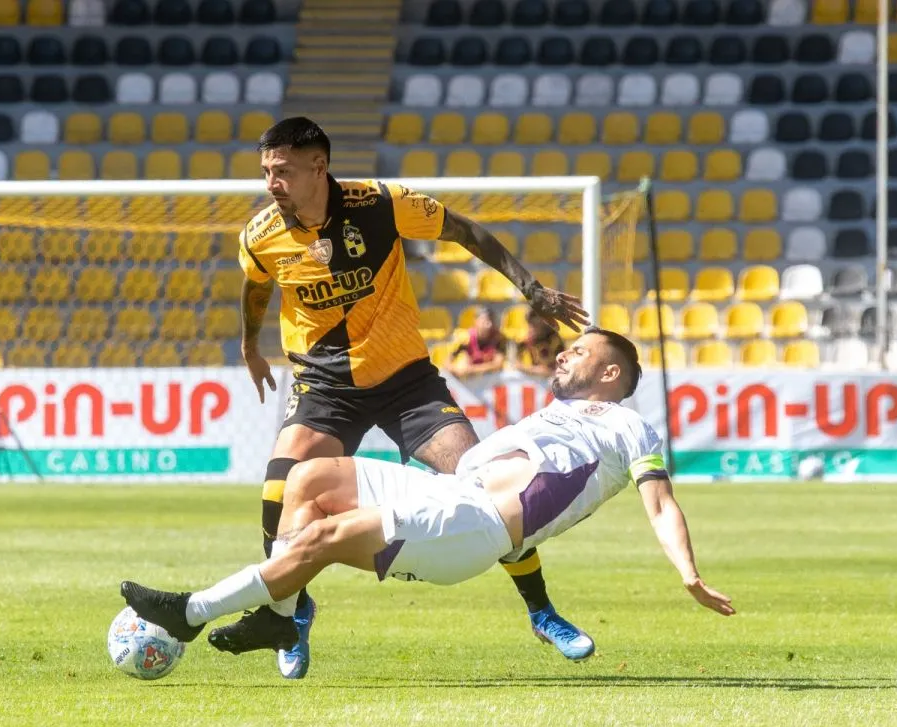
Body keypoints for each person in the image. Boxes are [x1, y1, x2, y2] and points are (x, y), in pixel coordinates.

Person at [121, 327, 736, 664]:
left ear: (609, 373)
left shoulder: (631, 428)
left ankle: (191, 613)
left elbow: (660, 503)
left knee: (321, 539)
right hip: (449, 491)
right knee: (310, 478)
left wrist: (688, 572)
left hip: (473, 528)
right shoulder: (554, 411)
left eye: (579, 352)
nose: (563, 354)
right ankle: (281, 621)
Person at [232, 116, 592, 679]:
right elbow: (256, 289)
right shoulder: (261, 235)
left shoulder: (382, 204)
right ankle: (290, 611)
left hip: (407, 383)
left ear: (318, 168)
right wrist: (251, 348)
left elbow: (466, 232)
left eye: (281, 171)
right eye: (265, 172)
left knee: (489, 489)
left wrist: (532, 290)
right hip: (325, 387)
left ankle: (542, 611)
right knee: (279, 489)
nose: (270, 183)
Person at [446, 306, 506, 379]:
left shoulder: (498, 338)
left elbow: (497, 365)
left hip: (489, 378)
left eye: (491, 321)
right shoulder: (465, 338)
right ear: (476, 321)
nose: (489, 325)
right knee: (462, 360)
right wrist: (456, 369)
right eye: (485, 321)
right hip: (468, 380)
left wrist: (472, 369)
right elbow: (447, 362)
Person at [516, 311, 566, 378]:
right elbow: (516, 363)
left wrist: (527, 369)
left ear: (543, 323)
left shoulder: (554, 339)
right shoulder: (527, 340)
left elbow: (548, 370)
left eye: (534, 325)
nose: (531, 328)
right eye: (530, 324)